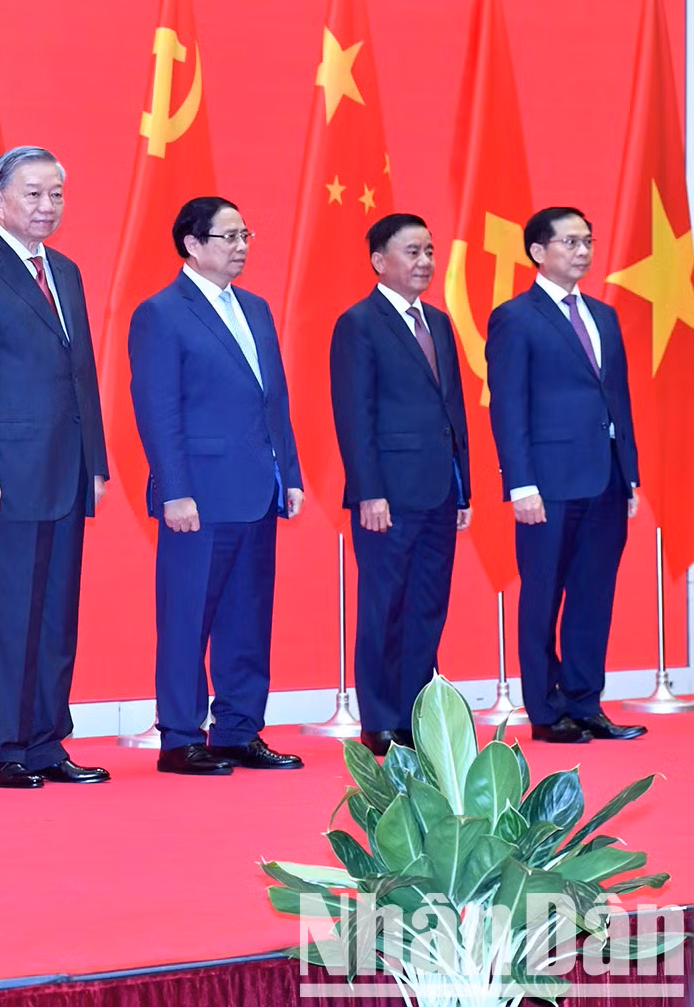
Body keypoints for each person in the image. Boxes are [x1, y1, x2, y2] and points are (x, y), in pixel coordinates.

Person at [0, 146, 110, 790]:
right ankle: (0, 747)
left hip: (65, 471)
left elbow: (81, 373)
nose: (46, 206)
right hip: (4, 477)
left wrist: (95, 458)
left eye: (56, 194)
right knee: (7, 613)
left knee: (57, 615)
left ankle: (45, 743)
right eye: (33, 194)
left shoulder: (65, 271)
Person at [129, 196, 305, 776]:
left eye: (246, 235)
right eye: (228, 237)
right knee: (187, 617)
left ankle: (237, 730)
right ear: (193, 244)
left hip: (257, 489)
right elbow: (158, 410)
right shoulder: (162, 312)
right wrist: (174, 489)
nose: (241, 247)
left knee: (248, 617)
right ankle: (181, 737)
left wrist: (292, 474)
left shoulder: (254, 308)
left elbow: (273, 399)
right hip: (198, 496)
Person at [486, 206, 644, 744]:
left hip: (605, 481)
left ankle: (586, 702)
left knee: (593, 595)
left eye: (588, 242)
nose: (582, 252)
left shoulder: (604, 315)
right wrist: (521, 484)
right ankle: (547, 712)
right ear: (538, 251)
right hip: (546, 487)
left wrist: (631, 475)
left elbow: (617, 398)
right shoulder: (516, 316)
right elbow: (507, 405)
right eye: (570, 242)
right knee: (542, 596)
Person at [328, 213, 470, 757]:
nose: (425, 262)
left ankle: (418, 716)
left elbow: (452, 410)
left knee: (428, 605)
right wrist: (369, 490)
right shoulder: (359, 323)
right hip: (387, 493)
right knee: (385, 607)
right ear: (379, 261)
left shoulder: (438, 322)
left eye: (429, 251)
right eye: (412, 252)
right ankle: (381, 719)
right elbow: (354, 414)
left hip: (439, 490)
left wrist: (465, 487)